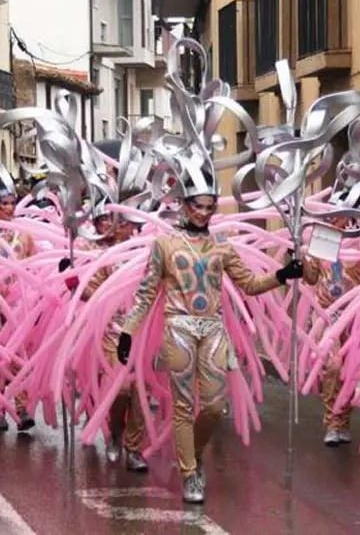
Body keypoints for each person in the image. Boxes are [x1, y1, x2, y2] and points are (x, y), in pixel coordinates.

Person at [116, 169, 305, 504]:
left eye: (209, 206)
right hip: (178, 329)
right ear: (184, 205)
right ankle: (189, 472)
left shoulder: (222, 244)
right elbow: (146, 294)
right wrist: (128, 332)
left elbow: (248, 284)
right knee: (184, 406)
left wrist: (282, 274)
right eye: (197, 205)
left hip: (214, 329)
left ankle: (193, 452)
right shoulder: (165, 244)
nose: (203, 212)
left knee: (216, 407)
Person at [62, 205, 149, 472]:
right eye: (112, 221)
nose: (117, 225)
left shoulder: (148, 252)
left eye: (123, 221)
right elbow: (93, 294)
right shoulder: (105, 256)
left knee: (141, 394)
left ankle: (134, 449)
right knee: (120, 389)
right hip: (113, 330)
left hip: (145, 331)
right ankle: (115, 433)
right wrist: (74, 283)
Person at [300, 185, 360, 447]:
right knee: (332, 366)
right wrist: (301, 260)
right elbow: (311, 278)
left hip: (354, 315)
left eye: (340, 213)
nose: (335, 218)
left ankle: (343, 420)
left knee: (348, 371)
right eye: (331, 213)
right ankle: (333, 421)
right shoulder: (321, 239)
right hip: (326, 314)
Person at [0, 167, 36, 432]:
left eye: (13, 203)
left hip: (18, 304)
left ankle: (23, 407)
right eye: (4, 203)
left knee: (18, 356)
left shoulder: (25, 235)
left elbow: (35, 265)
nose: (10, 208)